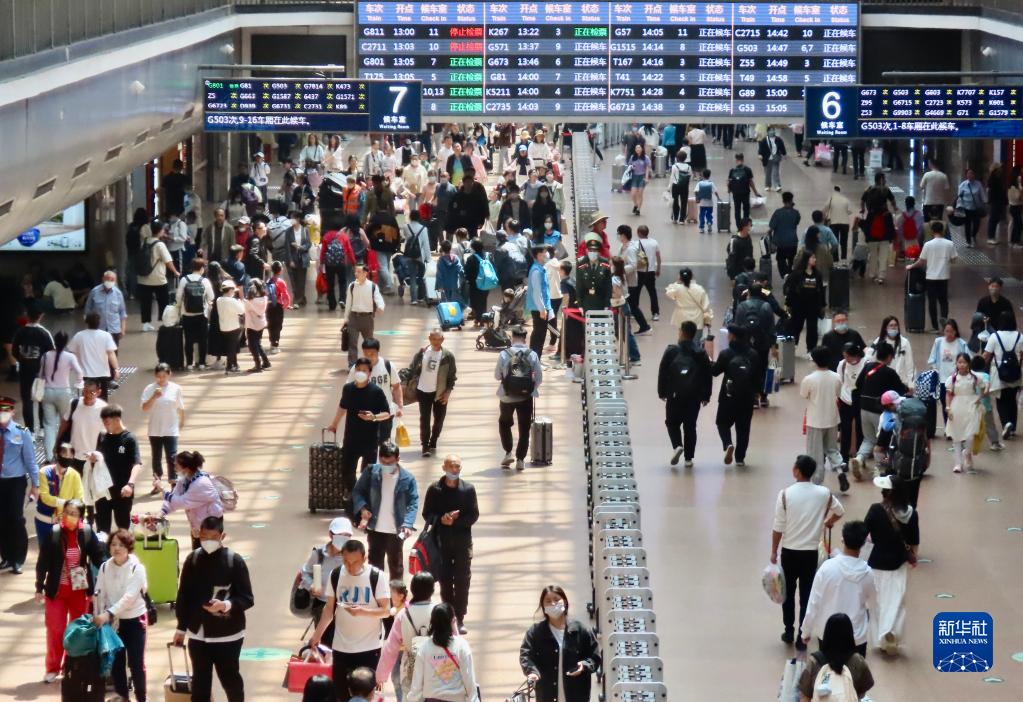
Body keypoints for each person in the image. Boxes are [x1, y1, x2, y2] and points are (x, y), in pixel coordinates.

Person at [173, 516, 253, 702]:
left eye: (213, 537)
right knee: (200, 685)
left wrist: (225, 605)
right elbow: (184, 596)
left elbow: (247, 598)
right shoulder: (193, 559)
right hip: (198, 634)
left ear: (222, 536)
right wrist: (181, 628)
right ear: (198, 535)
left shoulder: (234, 561)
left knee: (230, 680)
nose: (208, 541)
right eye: (204, 536)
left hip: (227, 635)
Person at [771, 455, 844, 652]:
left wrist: (773, 551)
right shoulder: (823, 493)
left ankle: (788, 630)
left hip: (789, 552)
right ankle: (801, 636)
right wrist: (828, 522)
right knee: (807, 595)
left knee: (787, 593)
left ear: (797, 471)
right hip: (810, 553)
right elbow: (840, 511)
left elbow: (778, 527)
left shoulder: (785, 495)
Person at [308, 538, 389, 699]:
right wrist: (317, 635)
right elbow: (329, 609)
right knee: (341, 696)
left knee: (364, 698)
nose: (350, 566)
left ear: (364, 559)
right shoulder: (336, 574)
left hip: (369, 649)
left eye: (355, 562)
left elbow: (385, 611)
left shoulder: (376, 576)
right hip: (341, 648)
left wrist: (363, 612)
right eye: (346, 561)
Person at [34, 498, 104, 682]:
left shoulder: (86, 533)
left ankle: (71, 666)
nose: (69, 516)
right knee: (55, 629)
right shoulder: (54, 534)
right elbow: (43, 562)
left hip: (79, 592)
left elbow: (98, 557)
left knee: (77, 631)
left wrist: (114, 567)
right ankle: (52, 668)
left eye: (74, 513)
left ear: (81, 516)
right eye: (66, 512)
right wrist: (39, 587)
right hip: (57, 591)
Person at [799, 521, 876, 656]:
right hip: (856, 637)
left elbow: (814, 602)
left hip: (827, 633)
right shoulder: (868, 574)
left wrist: (806, 631)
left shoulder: (826, 568)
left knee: (828, 669)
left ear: (842, 539)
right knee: (855, 669)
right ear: (863, 544)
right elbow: (874, 605)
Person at [863, 475, 919, 656]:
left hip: (877, 563)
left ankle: (882, 637)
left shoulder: (875, 510)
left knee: (878, 602)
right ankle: (892, 632)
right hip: (899, 563)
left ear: (887, 493)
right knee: (896, 601)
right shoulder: (911, 513)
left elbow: (864, 533)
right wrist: (912, 557)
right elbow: (914, 541)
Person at [422, 456, 478, 633]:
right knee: (445, 580)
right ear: (444, 467)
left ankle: (459, 617)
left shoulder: (468, 490)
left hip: (462, 543)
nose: (454, 470)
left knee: (462, 580)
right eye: (451, 466)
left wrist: (456, 521)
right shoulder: (435, 490)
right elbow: (427, 513)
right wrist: (441, 519)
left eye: (457, 466)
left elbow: (473, 515)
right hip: (442, 543)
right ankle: (448, 615)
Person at [327, 358, 392, 510]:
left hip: (370, 440)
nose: (361, 372)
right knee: (347, 471)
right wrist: (334, 424)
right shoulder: (348, 389)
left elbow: (386, 413)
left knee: (367, 472)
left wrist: (373, 417)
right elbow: (342, 407)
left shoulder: (376, 392)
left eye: (364, 370)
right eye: (358, 369)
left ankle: (362, 502)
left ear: (370, 373)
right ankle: (354, 494)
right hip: (351, 439)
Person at [93, 528, 149, 701]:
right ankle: (122, 697)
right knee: (117, 664)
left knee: (136, 663)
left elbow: (129, 598)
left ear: (129, 547)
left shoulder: (137, 569)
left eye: (121, 545)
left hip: (135, 620)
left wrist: (107, 614)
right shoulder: (104, 567)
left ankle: (141, 697)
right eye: (113, 544)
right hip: (114, 623)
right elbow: (99, 593)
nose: (116, 548)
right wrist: (99, 613)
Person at [519, 585, 600, 702]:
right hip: (546, 696)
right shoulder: (536, 632)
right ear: (543, 607)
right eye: (548, 601)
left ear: (565, 602)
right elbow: (525, 655)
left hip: (577, 696)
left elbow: (595, 657)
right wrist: (532, 671)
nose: (553, 604)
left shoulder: (580, 630)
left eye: (556, 600)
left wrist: (584, 666)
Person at [353, 441, 419, 579]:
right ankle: (376, 591)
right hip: (375, 528)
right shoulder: (371, 472)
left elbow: (413, 503)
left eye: (390, 463)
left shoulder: (408, 479)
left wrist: (407, 524)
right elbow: (357, 492)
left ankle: (397, 592)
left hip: (396, 530)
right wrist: (363, 508)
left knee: (396, 565)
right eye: (383, 462)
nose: (386, 466)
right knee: (374, 566)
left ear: (398, 459)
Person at [657, 321, 713, 467]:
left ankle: (677, 445)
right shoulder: (700, 353)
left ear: (681, 332)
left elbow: (663, 372)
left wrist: (662, 392)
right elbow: (707, 375)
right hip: (694, 395)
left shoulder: (671, 351)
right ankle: (688, 459)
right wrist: (706, 396)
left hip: (674, 394)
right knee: (690, 426)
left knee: (672, 423)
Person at [376, 572, 439, 700]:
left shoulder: (403, 614)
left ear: (412, 589)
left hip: (410, 666)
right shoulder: (440, 610)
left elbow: (391, 648)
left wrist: (380, 676)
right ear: (432, 590)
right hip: (438, 663)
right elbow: (456, 641)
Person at [850, 342, 908, 480]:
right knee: (883, 442)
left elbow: (857, 384)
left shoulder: (868, 366)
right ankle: (880, 468)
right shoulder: (890, 372)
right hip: (881, 412)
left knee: (868, 438)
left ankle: (859, 459)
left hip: (864, 408)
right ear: (889, 356)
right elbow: (901, 390)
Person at [405, 602, 478, 702]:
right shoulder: (461, 646)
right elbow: (469, 681)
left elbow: (416, 686)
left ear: (432, 623)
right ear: (453, 621)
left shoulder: (424, 648)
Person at [86, 404, 142, 533]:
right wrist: (93, 459)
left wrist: (130, 484)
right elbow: (99, 458)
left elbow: (136, 464)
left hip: (122, 492)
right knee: (102, 529)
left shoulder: (129, 439)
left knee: (123, 528)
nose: (105, 426)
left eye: (107, 422)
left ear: (117, 419)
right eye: (104, 423)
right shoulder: (102, 436)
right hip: (103, 491)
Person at [495, 326, 543, 471]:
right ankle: (520, 460)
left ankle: (508, 452)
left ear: (512, 337)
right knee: (524, 428)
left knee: (504, 423)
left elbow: (497, 376)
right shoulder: (532, 355)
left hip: (506, 396)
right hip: (525, 397)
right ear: (525, 339)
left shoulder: (504, 354)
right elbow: (539, 378)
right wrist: (530, 388)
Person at [798, 613, 875, 701]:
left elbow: (805, 695)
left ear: (826, 633)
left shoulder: (814, 661)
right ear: (850, 634)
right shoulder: (858, 661)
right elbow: (863, 691)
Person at [711, 326, 760, 467]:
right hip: (747, 397)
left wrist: (709, 360)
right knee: (743, 428)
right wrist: (757, 392)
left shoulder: (726, 354)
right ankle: (740, 458)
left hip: (728, 395)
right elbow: (758, 375)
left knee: (722, 423)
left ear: (732, 336)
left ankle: (728, 444)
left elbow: (715, 372)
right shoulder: (753, 354)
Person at [1, 396, 39, 574]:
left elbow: (31, 460)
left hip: (15, 481)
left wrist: (35, 485)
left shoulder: (21, 432)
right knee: (2, 520)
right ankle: (6, 557)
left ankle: (17, 559)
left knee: (15, 519)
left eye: (6, 410)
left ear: (12, 412)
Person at [801, 347, 848, 491]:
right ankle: (840, 471)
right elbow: (838, 394)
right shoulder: (836, 377)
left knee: (815, 453)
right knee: (832, 449)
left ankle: (817, 483)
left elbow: (804, 395)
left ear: (815, 361)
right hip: (832, 419)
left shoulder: (809, 379)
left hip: (815, 421)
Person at [159, 451, 224, 550]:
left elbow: (182, 502)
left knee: (211, 551)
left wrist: (163, 491)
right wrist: (161, 513)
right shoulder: (184, 480)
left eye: (176, 465)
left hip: (211, 522)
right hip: (198, 522)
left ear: (186, 468)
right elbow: (174, 497)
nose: (174, 468)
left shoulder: (201, 483)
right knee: (198, 551)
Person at [410, 330, 458, 457]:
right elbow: (412, 368)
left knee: (439, 419)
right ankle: (425, 445)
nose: (436, 342)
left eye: (439, 339)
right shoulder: (422, 353)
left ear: (443, 340)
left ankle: (434, 439)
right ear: (429, 338)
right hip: (423, 391)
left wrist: (447, 392)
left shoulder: (448, 356)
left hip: (440, 392)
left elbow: (452, 376)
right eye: (434, 339)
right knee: (424, 419)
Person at [140, 363, 185, 492]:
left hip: (171, 428)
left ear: (169, 375)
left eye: (164, 376)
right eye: (159, 376)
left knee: (172, 456)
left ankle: (174, 483)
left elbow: (180, 406)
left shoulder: (176, 388)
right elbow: (145, 408)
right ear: (155, 376)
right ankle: (157, 482)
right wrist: (154, 396)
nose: (161, 379)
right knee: (156, 457)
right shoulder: (150, 389)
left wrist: (182, 420)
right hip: (155, 428)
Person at [906, 220, 956, 332]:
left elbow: (921, 262)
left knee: (932, 302)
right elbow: (954, 259)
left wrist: (911, 266)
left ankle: (935, 326)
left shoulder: (928, 245)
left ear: (932, 231)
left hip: (931, 277)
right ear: (943, 231)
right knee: (943, 301)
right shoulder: (950, 244)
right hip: (944, 276)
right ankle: (944, 322)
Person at [11, 307, 54, 432]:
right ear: (41, 316)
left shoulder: (20, 332)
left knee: (27, 401)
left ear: (27, 316)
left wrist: (22, 360)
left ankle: (29, 430)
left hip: (24, 370)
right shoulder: (44, 333)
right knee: (41, 399)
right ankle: (42, 429)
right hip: (40, 371)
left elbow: (14, 350)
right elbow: (51, 353)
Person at [983, 310, 1023, 440]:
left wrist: (975, 366)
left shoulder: (995, 337)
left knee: (1001, 400)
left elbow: (986, 356)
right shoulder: (1020, 336)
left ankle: (1006, 423)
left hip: (999, 373)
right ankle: (1013, 427)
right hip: (1016, 372)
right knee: (1012, 399)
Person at [359, 337, 404, 446]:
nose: (369, 357)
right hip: (366, 414)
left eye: (372, 354)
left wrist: (400, 406)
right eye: (366, 354)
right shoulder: (358, 368)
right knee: (368, 445)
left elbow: (396, 387)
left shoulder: (388, 366)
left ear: (378, 351)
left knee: (384, 444)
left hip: (386, 413)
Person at [928, 319, 970, 433]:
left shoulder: (961, 343)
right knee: (945, 404)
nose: (949, 334)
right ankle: (948, 428)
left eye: (951, 331)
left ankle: (958, 427)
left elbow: (968, 359)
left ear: (955, 331)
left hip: (957, 379)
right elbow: (932, 359)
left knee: (957, 404)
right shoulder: (938, 342)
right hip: (942, 380)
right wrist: (935, 370)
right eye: (947, 331)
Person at [137, 219, 179, 331]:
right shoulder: (160, 245)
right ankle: (164, 321)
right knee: (163, 300)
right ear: (160, 231)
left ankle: (146, 324)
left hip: (143, 278)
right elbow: (168, 261)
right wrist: (175, 272)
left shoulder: (144, 241)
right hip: (158, 279)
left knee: (145, 302)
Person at [343, 264, 386, 368]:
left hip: (367, 319)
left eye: (358, 272)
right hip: (354, 317)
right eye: (355, 272)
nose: (356, 274)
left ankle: (370, 363)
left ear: (365, 273)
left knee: (369, 343)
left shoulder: (372, 286)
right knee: (352, 343)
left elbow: (378, 298)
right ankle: (352, 365)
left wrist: (381, 307)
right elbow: (348, 303)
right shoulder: (352, 286)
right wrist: (346, 318)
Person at [175, 258, 214, 369]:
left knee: (188, 340)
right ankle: (201, 363)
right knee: (203, 340)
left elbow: (178, 297)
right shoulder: (205, 281)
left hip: (187, 315)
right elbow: (211, 297)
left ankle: (189, 364)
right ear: (202, 268)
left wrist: (179, 307)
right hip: (202, 315)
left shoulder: (184, 280)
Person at [783, 252, 825, 354]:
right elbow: (790, 290)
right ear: (807, 259)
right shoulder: (796, 274)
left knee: (812, 328)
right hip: (798, 306)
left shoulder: (817, 274)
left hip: (813, 306)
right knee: (796, 326)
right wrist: (788, 304)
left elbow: (821, 290)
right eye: (812, 258)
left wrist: (822, 305)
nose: (815, 260)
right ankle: (793, 344)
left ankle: (811, 349)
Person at [861, 173, 898, 282]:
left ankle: (872, 273)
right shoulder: (886, 190)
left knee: (872, 252)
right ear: (882, 179)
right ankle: (881, 275)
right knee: (884, 252)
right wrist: (895, 207)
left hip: (871, 221)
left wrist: (863, 209)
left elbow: (862, 201)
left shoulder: (868, 189)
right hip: (885, 222)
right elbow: (893, 201)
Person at [837, 343, 866, 466]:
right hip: (845, 400)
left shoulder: (866, 364)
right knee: (845, 429)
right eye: (845, 356)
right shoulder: (842, 364)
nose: (846, 359)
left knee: (860, 430)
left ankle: (860, 457)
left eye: (848, 356)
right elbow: (839, 381)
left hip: (860, 400)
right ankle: (844, 458)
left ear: (856, 355)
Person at [867, 316, 916, 387]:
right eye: (891, 325)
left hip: (900, 380)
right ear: (885, 328)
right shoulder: (878, 341)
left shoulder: (904, 343)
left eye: (896, 325)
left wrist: (911, 384)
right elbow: (870, 359)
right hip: (882, 380)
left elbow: (910, 365)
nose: (894, 328)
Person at [610, 256, 641, 365]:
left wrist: (608, 294)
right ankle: (632, 355)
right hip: (624, 305)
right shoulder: (621, 275)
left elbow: (617, 294)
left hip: (619, 307)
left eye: (611, 264)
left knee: (625, 333)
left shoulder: (615, 278)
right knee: (623, 332)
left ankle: (635, 356)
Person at [525, 243, 554, 354]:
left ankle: (536, 358)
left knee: (540, 333)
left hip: (541, 307)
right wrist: (542, 309)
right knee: (539, 334)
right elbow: (537, 293)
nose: (547, 255)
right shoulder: (537, 271)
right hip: (539, 308)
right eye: (545, 253)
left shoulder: (541, 268)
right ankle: (535, 357)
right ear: (538, 255)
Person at [84, 269, 128, 343]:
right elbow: (87, 310)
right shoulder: (94, 292)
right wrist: (88, 329)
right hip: (98, 330)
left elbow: (122, 313)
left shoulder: (118, 294)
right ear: (103, 279)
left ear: (115, 281)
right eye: (108, 279)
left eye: (112, 280)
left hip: (114, 330)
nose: (110, 281)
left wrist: (123, 329)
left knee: (113, 350)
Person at [215, 280, 245, 375]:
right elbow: (241, 311)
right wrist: (240, 302)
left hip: (223, 327)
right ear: (230, 290)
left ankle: (234, 365)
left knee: (230, 347)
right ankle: (230, 367)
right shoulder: (232, 301)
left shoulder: (219, 300)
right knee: (232, 348)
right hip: (233, 327)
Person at [576, 234, 612, 312]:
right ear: (587, 251)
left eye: (595, 250)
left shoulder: (605, 262)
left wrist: (607, 304)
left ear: (598, 252)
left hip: (601, 302)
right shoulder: (581, 262)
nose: (592, 252)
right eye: (590, 250)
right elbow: (579, 285)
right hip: (586, 302)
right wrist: (580, 304)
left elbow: (608, 285)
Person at [768, 192, 801, 277]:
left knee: (780, 259)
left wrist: (770, 237)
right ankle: (790, 274)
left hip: (781, 242)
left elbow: (771, 227)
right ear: (791, 200)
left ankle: (785, 275)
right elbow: (796, 222)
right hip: (793, 241)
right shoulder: (796, 213)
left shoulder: (778, 213)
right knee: (791, 260)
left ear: (783, 201)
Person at [463, 239, 494, 325]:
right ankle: (482, 318)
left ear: (473, 248)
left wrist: (468, 280)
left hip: (475, 284)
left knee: (475, 302)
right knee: (483, 301)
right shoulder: (488, 256)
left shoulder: (471, 258)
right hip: (487, 282)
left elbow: (467, 272)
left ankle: (479, 318)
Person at [727, 152, 760, 231]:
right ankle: (745, 226)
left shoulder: (732, 170)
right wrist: (756, 192)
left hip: (736, 193)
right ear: (743, 159)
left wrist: (729, 190)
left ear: (736, 160)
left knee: (737, 210)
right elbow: (751, 182)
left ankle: (739, 227)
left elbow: (729, 182)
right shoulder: (747, 169)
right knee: (746, 210)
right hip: (745, 192)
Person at [956, 167, 986, 248]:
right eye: (969, 173)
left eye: (972, 173)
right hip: (966, 208)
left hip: (976, 208)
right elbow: (959, 197)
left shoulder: (978, 184)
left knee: (977, 224)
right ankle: (968, 241)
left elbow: (982, 195)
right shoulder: (963, 185)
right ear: (966, 175)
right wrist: (959, 207)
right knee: (967, 225)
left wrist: (985, 203)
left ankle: (973, 234)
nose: (971, 175)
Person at [823, 185, 854, 260]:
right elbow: (850, 211)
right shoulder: (845, 199)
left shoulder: (831, 198)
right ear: (840, 191)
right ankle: (844, 258)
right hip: (845, 223)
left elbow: (824, 209)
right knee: (844, 242)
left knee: (835, 242)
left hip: (834, 223)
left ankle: (835, 258)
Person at [987, 163, 1008, 246]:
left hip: (998, 202)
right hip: (995, 202)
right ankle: (990, 237)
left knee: (995, 219)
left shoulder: (998, 178)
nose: (1001, 169)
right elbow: (991, 191)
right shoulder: (993, 179)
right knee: (993, 219)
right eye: (1000, 168)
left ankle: (992, 237)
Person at [669, 151, 693, 224]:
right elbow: (690, 177)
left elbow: (672, 177)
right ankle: (682, 219)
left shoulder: (674, 166)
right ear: (685, 158)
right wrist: (687, 184)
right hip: (685, 186)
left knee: (675, 201)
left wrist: (669, 187)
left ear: (677, 158)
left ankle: (675, 218)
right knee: (684, 202)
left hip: (676, 185)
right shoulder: (689, 167)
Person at [627, 143, 651, 215]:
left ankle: (638, 209)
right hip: (634, 177)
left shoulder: (645, 158)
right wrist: (631, 167)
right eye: (636, 148)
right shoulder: (632, 157)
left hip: (642, 177)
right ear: (635, 149)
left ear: (642, 149)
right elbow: (629, 166)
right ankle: (635, 204)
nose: (638, 149)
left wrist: (646, 178)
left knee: (640, 193)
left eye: (639, 148)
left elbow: (647, 168)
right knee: (633, 193)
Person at [694, 169, 720, 235]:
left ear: (703, 175)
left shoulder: (699, 183)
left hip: (702, 203)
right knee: (709, 214)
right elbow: (715, 192)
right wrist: (718, 198)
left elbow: (696, 191)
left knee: (702, 215)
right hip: (710, 203)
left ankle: (701, 228)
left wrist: (697, 198)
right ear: (709, 175)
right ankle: (709, 223)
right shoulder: (711, 183)